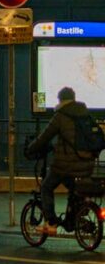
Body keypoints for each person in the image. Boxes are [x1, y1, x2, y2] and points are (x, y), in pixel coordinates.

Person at [25, 86, 97, 236]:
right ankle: (75, 217)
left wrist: (30, 149)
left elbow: (44, 137)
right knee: (75, 189)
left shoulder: (60, 116)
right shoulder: (86, 114)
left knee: (46, 187)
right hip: (87, 164)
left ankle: (51, 222)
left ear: (60, 100)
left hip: (65, 166)